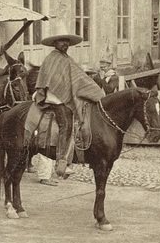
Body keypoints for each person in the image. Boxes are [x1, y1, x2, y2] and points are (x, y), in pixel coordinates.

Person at [33, 26, 106, 181]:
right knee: (65, 125)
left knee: (81, 118)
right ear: (55, 43)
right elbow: (52, 80)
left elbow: (79, 78)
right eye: (61, 41)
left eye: (67, 42)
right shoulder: (52, 58)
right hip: (55, 99)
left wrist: (95, 92)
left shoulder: (67, 59)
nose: (65, 44)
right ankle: (61, 161)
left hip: (63, 98)